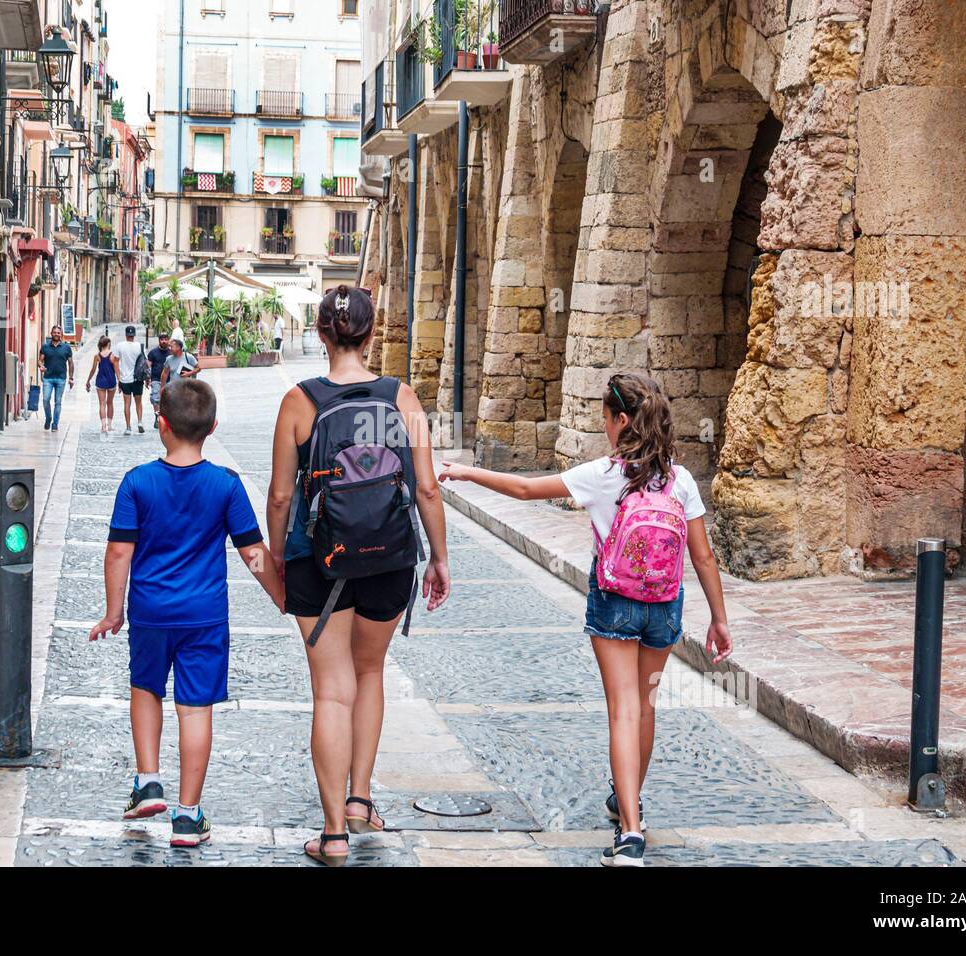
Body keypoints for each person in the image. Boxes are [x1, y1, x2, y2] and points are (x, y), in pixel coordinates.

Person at [439, 373, 734, 868]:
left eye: (605, 419)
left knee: (622, 709)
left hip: (614, 601)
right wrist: (719, 620)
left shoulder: (605, 474)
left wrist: (466, 473)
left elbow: (526, 489)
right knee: (644, 705)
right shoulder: (679, 480)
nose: (605, 429)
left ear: (621, 420)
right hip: (665, 606)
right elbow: (702, 557)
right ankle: (627, 802)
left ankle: (631, 835)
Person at [267, 285, 451, 866]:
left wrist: (278, 557)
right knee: (369, 673)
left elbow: (278, 496)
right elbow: (425, 486)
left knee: (331, 690)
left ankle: (333, 838)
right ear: (372, 335)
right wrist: (440, 557)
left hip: (316, 562)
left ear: (321, 334)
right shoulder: (404, 399)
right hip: (389, 557)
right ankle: (359, 801)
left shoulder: (299, 401)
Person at [89, 378, 285, 848]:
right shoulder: (226, 485)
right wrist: (282, 597)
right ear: (213, 427)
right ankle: (188, 814)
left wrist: (113, 612)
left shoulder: (137, 482)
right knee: (195, 709)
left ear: (161, 423)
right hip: (205, 617)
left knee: (146, 689)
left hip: (151, 612)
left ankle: (148, 781)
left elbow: (118, 553)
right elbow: (253, 552)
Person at [38, 325, 74, 432]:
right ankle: (48, 418)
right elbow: (40, 360)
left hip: (61, 379)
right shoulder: (45, 347)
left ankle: (55, 424)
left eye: (58, 332)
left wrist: (71, 378)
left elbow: (71, 363)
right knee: (45, 400)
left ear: (61, 334)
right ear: (51, 333)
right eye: (54, 332)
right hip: (48, 378)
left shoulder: (66, 348)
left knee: (58, 402)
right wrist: (41, 366)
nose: (56, 334)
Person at [85, 335, 120, 439]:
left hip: (100, 381)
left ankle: (103, 426)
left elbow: (93, 370)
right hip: (111, 381)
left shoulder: (97, 356)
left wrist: (88, 380)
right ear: (108, 344)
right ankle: (109, 425)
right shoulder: (113, 356)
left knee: (102, 404)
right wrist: (120, 382)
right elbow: (117, 370)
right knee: (110, 403)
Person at [115, 325, 146, 435]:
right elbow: (144, 364)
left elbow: (115, 362)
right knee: (139, 402)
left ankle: (128, 427)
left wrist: (118, 377)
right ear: (134, 335)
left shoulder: (120, 346)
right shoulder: (140, 346)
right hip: (137, 379)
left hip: (125, 379)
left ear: (126, 334)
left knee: (127, 404)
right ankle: (140, 422)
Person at [148, 333, 172, 414]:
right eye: (162, 340)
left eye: (165, 339)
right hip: (156, 379)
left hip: (169, 380)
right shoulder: (153, 352)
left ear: (168, 340)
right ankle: (157, 417)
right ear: (159, 341)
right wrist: (147, 379)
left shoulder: (171, 352)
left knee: (169, 399)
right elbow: (148, 367)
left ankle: (166, 417)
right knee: (156, 399)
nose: (164, 341)